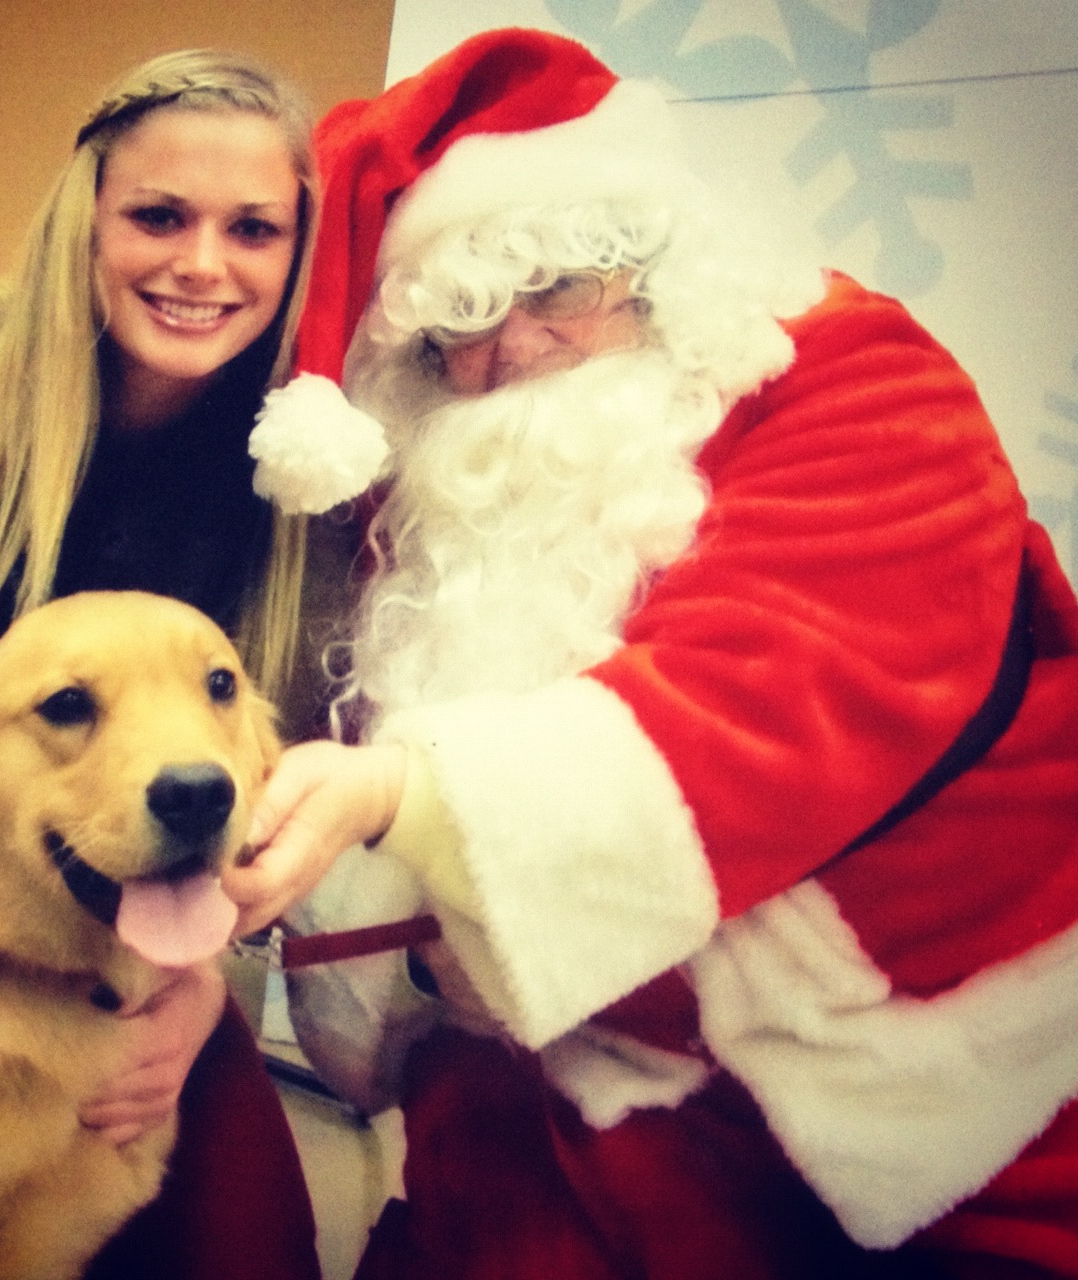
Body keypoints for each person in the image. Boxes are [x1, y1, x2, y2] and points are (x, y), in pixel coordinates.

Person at [227, 27, 1078, 1280]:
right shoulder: (444, 484)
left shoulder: (852, 377)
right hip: (576, 1105)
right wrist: (412, 948)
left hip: (927, 1092)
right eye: (463, 316)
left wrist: (411, 797)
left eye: (558, 288)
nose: (514, 349)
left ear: (652, 268)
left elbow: (775, 699)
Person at [0, 48, 326, 1280]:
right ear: (83, 216)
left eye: (253, 228)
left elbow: (263, 761)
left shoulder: (298, 463)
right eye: (158, 215)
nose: (203, 264)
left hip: (134, 907)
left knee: (245, 1233)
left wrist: (200, 985)